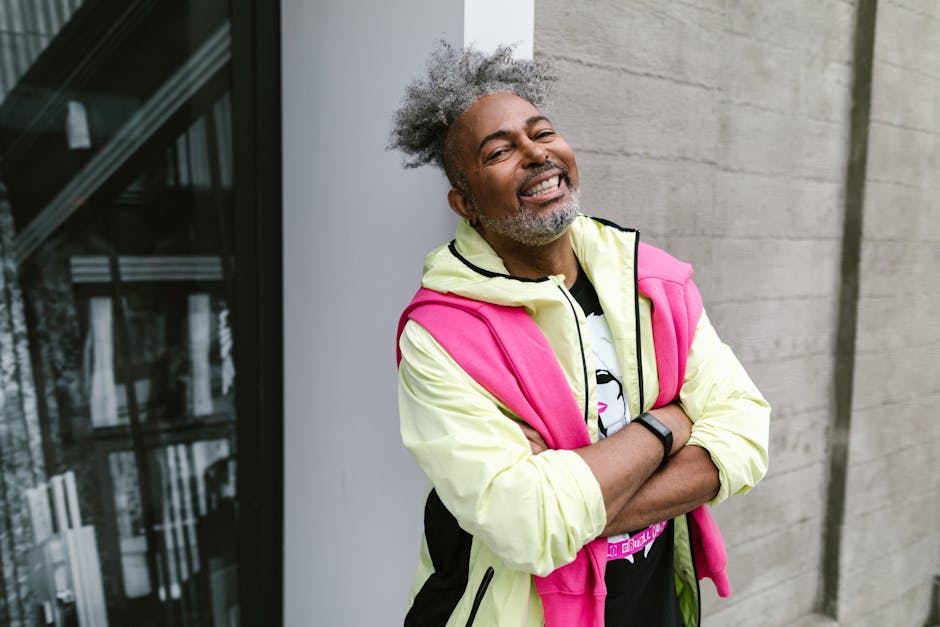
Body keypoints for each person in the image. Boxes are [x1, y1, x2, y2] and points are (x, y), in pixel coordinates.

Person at [391, 42, 770, 627]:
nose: (535, 154)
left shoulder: (650, 281)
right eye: (500, 151)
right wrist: (666, 425)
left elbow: (745, 434)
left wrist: (576, 505)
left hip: (656, 606)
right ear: (464, 203)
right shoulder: (440, 336)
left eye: (542, 133)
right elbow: (526, 523)